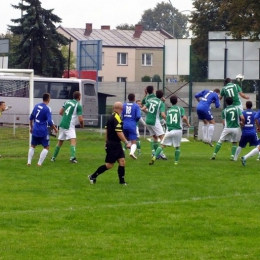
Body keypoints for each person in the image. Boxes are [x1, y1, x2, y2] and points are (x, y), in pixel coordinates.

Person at [88, 102, 131, 185]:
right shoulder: (116, 118)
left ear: (113, 108)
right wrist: (126, 142)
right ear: (121, 109)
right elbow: (119, 132)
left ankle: (122, 182)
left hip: (114, 143)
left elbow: (106, 131)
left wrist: (106, 142)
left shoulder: (111, 117)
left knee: (122, 161)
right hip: (114, 144)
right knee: (109, 165)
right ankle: (92, 176)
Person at [149, 95, 190, 165]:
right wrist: (188, 124)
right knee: (177, 147)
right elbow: (185, 118)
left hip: (169, 130)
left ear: (170, 102)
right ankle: (176, 162)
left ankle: (155, 156)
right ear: (177, 101)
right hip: (178, 130)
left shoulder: (169, 110)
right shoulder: (180, 109)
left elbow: (166, 119)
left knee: (162, 145)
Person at [51, 91, 83, 163]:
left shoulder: (67, 102)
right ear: (79, 97)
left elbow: (60, 112)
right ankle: (72, 158)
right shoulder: (78, 105)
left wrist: (66, 117)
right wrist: (82, 125)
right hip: (69, 125)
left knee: (60, 142)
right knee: (73, 141)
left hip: (62, 123)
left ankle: (53, 158)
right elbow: (81, 119)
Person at [27, 93, 58, 166]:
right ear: (48, 99)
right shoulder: (47, 108)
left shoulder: (36, 106)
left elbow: (31, 118)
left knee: (32, 145)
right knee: (46, 147)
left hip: (35, 129)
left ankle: (29, 162)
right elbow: (50, 121)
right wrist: (55, 128)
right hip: (42, 130)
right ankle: (39, 163)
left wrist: (31, 128)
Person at [142, 89, 167, 159]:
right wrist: (168, 121)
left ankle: (154, 153)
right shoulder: (161, 103)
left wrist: (149, 113)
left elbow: (143, 108)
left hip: (147, 121)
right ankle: (159, 153)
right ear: (162, 96)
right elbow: (163, 115)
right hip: (154, 121)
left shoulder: (151, 100)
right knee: (163, 138)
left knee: (155, 138)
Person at [122, 93, 141, 159]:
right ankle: (132, 152)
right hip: (132, 125)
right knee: (134, 141)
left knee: (126, 140)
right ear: (134, 98)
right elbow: (138, 116)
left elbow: (121, 115)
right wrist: (135, 120)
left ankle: (124, 151)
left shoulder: (123, 105)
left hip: (124, 124)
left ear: (128, 98)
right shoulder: (136, 106)